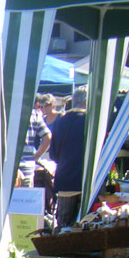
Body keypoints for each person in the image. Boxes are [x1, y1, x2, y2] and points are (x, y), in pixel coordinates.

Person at [48, 86, 88, 226]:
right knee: (86, 228)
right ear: (87, 102)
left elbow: (53, 155)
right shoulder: (91, 122)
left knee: (63, 228)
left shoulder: (59, 122)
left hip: (65, 181)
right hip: (86, 182)